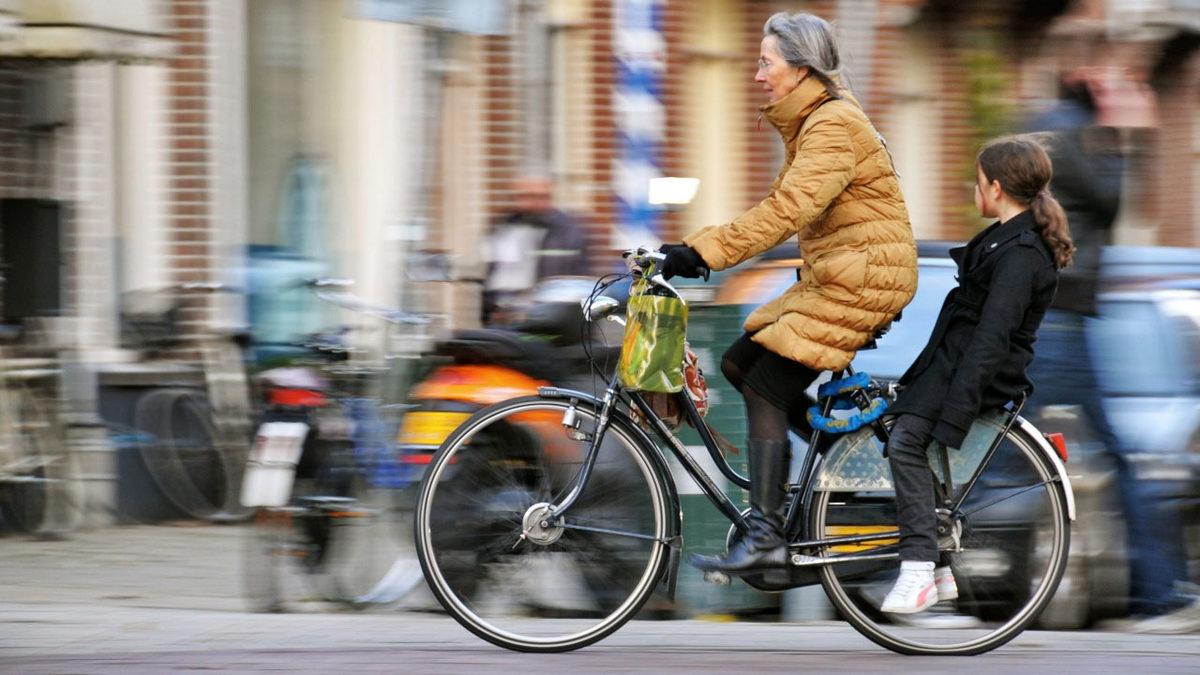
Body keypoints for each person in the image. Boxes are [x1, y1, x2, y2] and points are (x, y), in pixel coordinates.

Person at [659, 11, 917, 575]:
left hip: (864, 278)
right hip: (844, 274)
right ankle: (832, 469)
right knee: (739, 363)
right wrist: (692, 247)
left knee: (769, 386)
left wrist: (699, 253)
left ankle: (767, 535)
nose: (757, 75)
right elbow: (782, 205)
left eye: (765, 63)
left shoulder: (831, 126)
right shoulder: (812, 124)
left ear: (800, 69)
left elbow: (786, 212)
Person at [1025, 48, 1199, 630]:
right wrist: (1127, 135)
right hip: (1061, 318)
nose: (1117, 85)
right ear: (1082, 76)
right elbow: (1112, 201)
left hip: (1052, 314)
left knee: (1001, 448)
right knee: (1100, 457)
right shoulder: (1074, 135)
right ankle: (1163, 595)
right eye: (1107, 74)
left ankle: (1161, 594)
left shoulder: (1048, 126)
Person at [879, 136, 1074, 614]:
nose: (974, 189)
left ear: (997, 186)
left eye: (978, 181)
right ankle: (939, 570)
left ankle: (919, 569)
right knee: (904, 440)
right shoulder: (1007, 241)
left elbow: (993, 338)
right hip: (953, 368)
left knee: (905, 444)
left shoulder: (1022, 254)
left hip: (973, 376)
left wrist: (957, 409)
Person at [483, 175, 588, 325]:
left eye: (540, 196)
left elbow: (580, 283)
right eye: (525, 196)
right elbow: (491, 278)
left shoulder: (568, 230)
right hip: (506, 322)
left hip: (551, 321)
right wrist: (491, 311)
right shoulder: (503, 229)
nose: (532, 203)